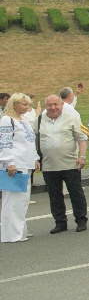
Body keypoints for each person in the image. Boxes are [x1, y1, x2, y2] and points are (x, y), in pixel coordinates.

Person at [36, 93, 89, 234]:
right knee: (54, 195)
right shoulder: (39, 120)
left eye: (56, 104)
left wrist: (82, 157)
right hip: (49, 165)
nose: (53, 107)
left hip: (70, 164)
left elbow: (82, 138)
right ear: (46, 106)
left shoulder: (71, 118)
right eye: (49, 105)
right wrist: (35, 158)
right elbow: (33, 139)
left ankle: (81, 220)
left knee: (76, 193)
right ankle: (60, 222)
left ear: (61, 105)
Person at [0, 94, 39, 242]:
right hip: (15, 165)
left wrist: (35, 158)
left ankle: (20, 231)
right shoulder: (7, 120)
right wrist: (9, 162)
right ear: (14, 104)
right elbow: (5, 142)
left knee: (22, 200)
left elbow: (29, 142)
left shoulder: (23, 120)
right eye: (24, 104)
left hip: (26, 163)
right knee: (13, 201)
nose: (27, 107)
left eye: (28, 105)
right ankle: (11, 234)